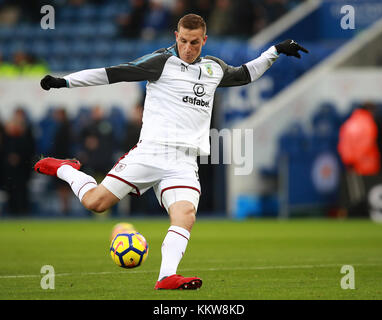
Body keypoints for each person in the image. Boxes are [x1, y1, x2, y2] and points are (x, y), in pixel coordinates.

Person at [35, 14, 308, 290]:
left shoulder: (214, 68)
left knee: (185, 214)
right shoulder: (161, 63)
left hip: (185, 161)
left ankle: (166, 277)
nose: (189, 49)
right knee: (96, 203)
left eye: (195, 43)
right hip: (151, 152)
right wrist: (65, 82)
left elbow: (245, 74)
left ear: (205, 40)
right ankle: (65, 169)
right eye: (184, 41)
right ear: (175, 36)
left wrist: (275, 51)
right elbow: (113, 73)